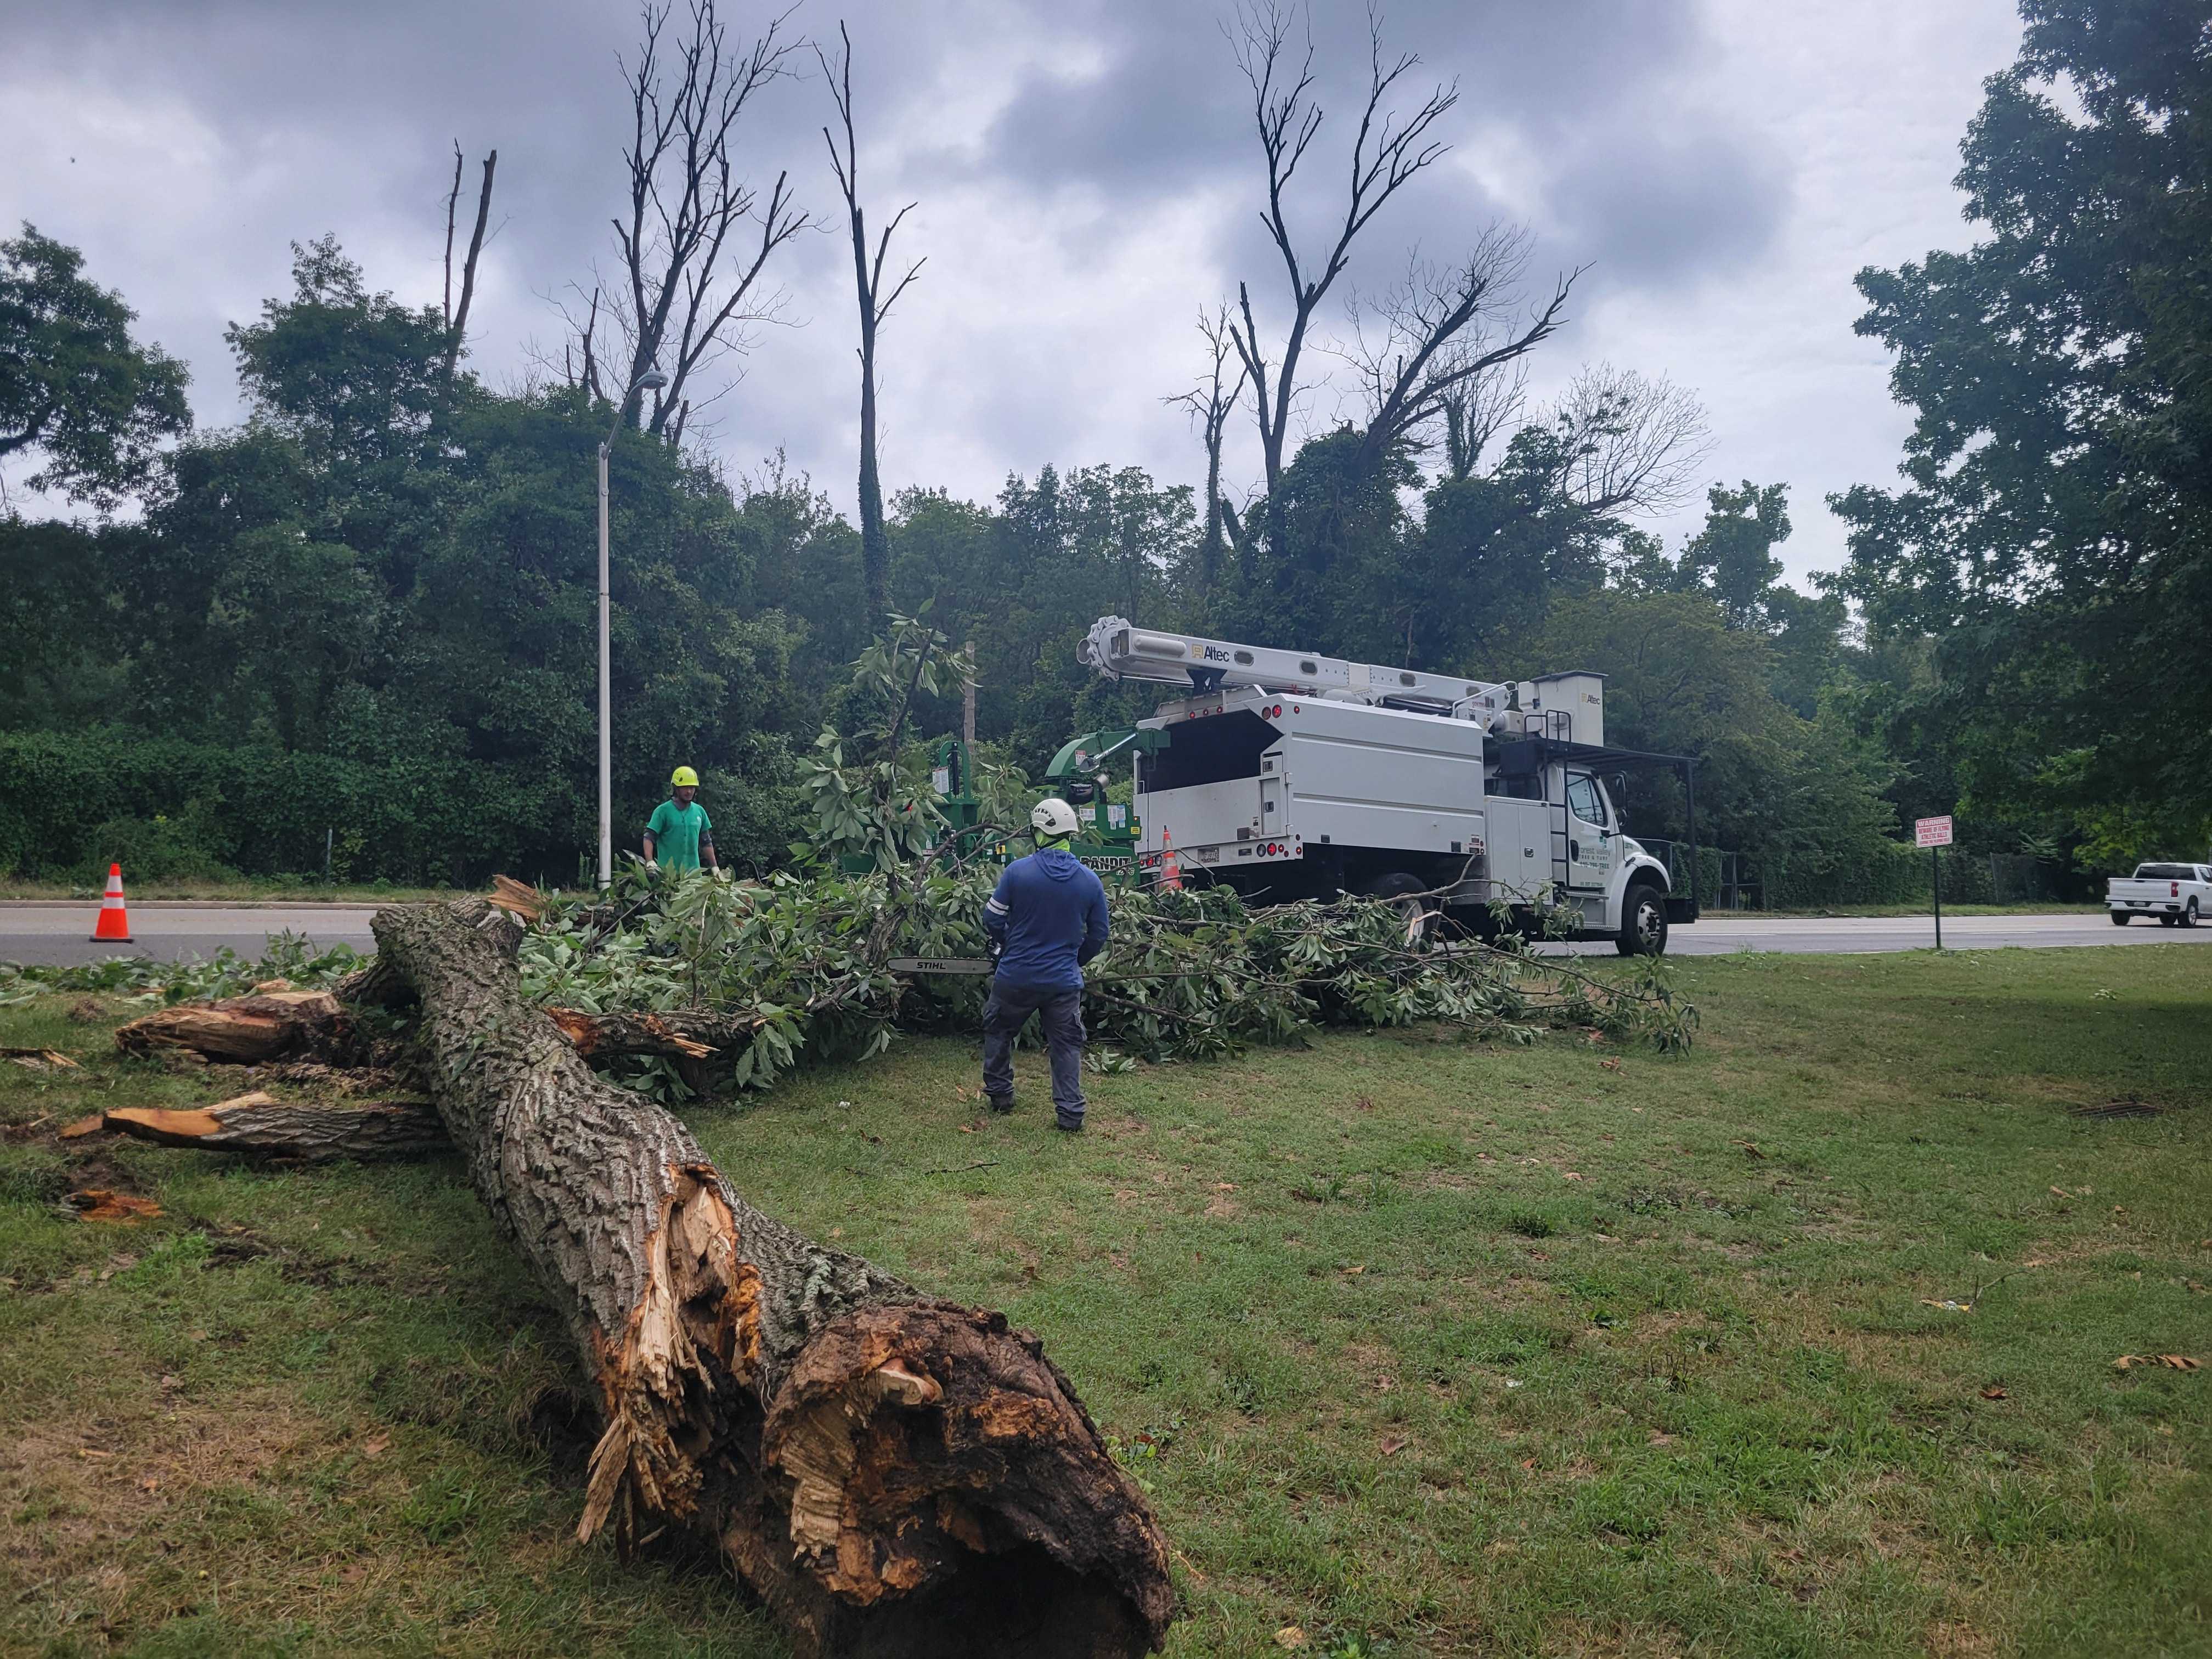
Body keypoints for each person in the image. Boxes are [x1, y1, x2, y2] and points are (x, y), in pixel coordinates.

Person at [981, 797, 1109, 1132]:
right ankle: (1070, 1115)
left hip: (1016, 978)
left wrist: (1007, 944)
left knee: (999, 1030)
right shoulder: (1090, 881)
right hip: (1063, 983)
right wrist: (1075, 960)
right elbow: (1099, 935)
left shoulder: (1017, 872)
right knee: (1066, 1045)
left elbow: (992, 918)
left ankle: (1000, 1096)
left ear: (1038, 832)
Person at [642, 766, 720, 876]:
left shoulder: (700, 812)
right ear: (676, 789)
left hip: (694, 878)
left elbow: (706, 842)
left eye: (692, 788)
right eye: (684, 788)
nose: (689, 791)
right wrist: (650, 861)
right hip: (668, 878)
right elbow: (649, 837)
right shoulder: (663, 811)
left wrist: (715, 867)